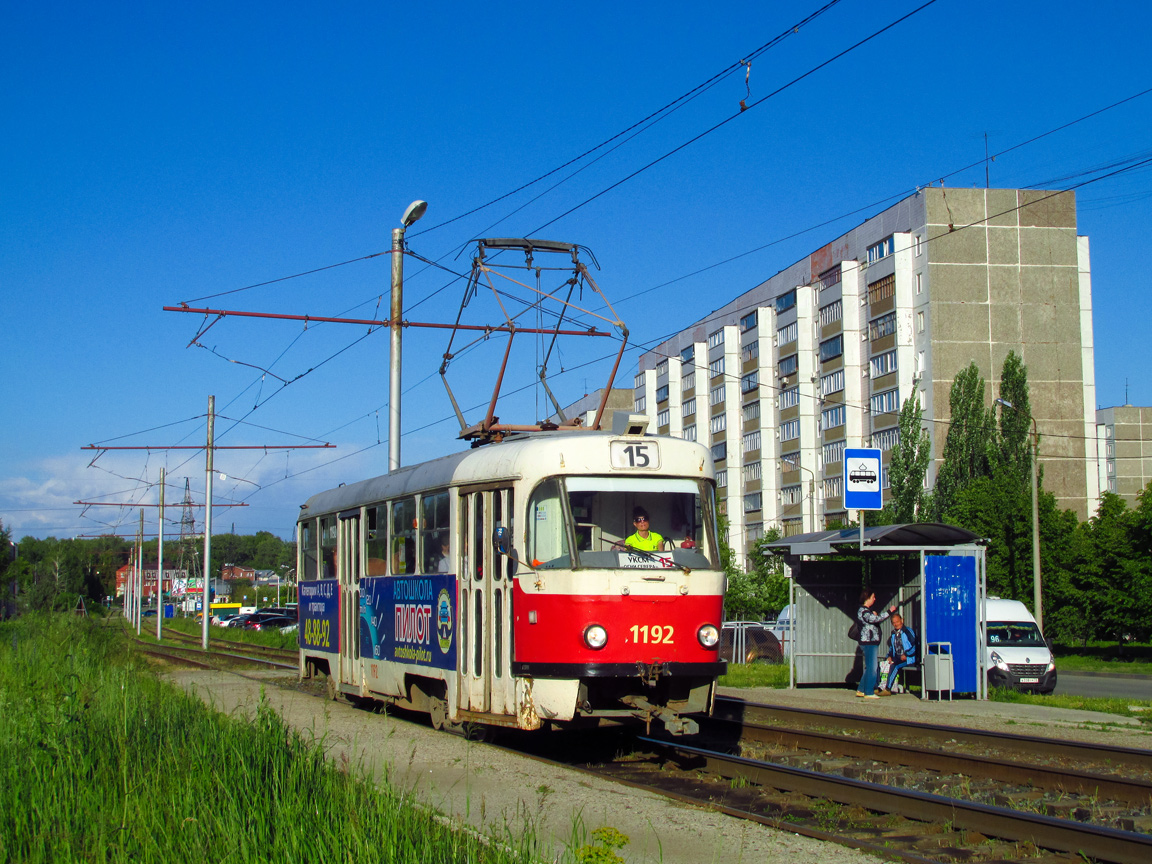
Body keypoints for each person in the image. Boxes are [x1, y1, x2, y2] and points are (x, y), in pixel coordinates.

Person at [855, 590, 896, 699]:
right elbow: (875, 619)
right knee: (872, 668)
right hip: (869, 642)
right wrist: (889, 612)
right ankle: (869, 692)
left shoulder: (865, 611)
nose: (875, 599)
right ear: (867, 598)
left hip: (869, 642)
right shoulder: (864, 611)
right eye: (873, 597)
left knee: (869, 668)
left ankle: (861, 689)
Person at [879, 614, 916, 695]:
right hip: (897, 657)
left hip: (909, 658)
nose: (896, 624)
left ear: (902, 620)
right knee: (881, 664)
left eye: (897, 622)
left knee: (895, 666)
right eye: (894, 622)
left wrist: (906, 654)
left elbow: (915, 646)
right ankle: (877, 688)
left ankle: (888, 689)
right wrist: (889, 656)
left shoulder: (908, 631)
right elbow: (892, 648)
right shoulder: (893, 633)